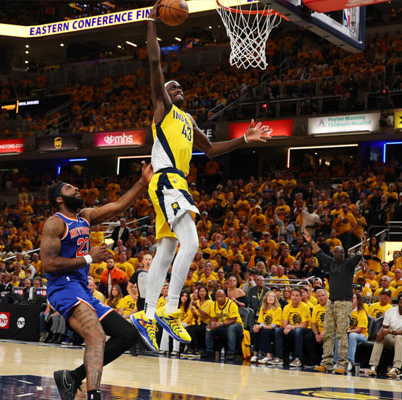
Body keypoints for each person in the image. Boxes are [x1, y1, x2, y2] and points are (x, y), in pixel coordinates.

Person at [131, 1, 272, 352]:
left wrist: (243, 139)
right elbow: (153, 63)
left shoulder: (189, 120)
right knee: (191, 242)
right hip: (165, 180)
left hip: (176, 182)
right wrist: (151, 21)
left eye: (179, 88)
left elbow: (210, 151)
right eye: (171, 86)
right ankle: (172, 308)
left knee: (166, 249)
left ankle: (147, 313)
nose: (176, 89)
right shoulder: (162, 110)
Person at [42, 164, 150, 400]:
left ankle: (72, 377)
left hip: (81, 288)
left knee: (127, 334)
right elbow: (48, 265)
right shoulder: (55, 223)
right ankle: (94, 395)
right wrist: (89, 257)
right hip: (63, 287)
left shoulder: (85, 217)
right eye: (70, 188)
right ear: (60, 199)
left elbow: (119, 206)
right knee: (96, 336)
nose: (77, 188)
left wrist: (143, 182)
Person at [306, 229, 366, 373]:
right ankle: (326, 362)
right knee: (327, 332)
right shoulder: (331, 263)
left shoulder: (349, 264)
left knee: (341, 334)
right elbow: (319, 253)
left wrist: (363, 243)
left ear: (344, 254)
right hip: (331, 302)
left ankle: (342, 365)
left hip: (344, 303)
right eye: (335, 252)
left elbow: (360, 254)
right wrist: (311, 241)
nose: (337, 253)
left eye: (340, 252)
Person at [368, 293, 402, 378]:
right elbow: (384, 328)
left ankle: (396, 367)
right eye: (400, 302)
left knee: (399, 337)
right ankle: (373, 366)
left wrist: (390, 331)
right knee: (381, 337)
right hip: (392, 337)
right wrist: (380, 334)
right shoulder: (390, 311)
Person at [205, 289, 244, 360]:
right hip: (222, 325)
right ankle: (209, 351)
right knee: (208, 328)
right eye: (217, 297)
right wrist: (212, 324)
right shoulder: (214, 304)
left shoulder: (232, 304)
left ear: (225, 296)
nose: (219, 299)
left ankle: (231, 352)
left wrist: (220, 324)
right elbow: (213, 318)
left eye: (221, 297)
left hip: (236, 325)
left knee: (231, 328)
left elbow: (233, 320)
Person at [251, 291, 283, 365]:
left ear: (275, 299)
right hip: (264, 327)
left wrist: (261, 326)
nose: (270, 298)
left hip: (274, 329)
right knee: (256, 331)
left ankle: (268, 355)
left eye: (272, 296)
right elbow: (261, 321)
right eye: (269, 296)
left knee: (265, 332)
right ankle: (255, 354)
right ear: (266, 298)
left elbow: (274, 325)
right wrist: (258, 327)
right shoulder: (263, 308)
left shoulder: (278, 309)